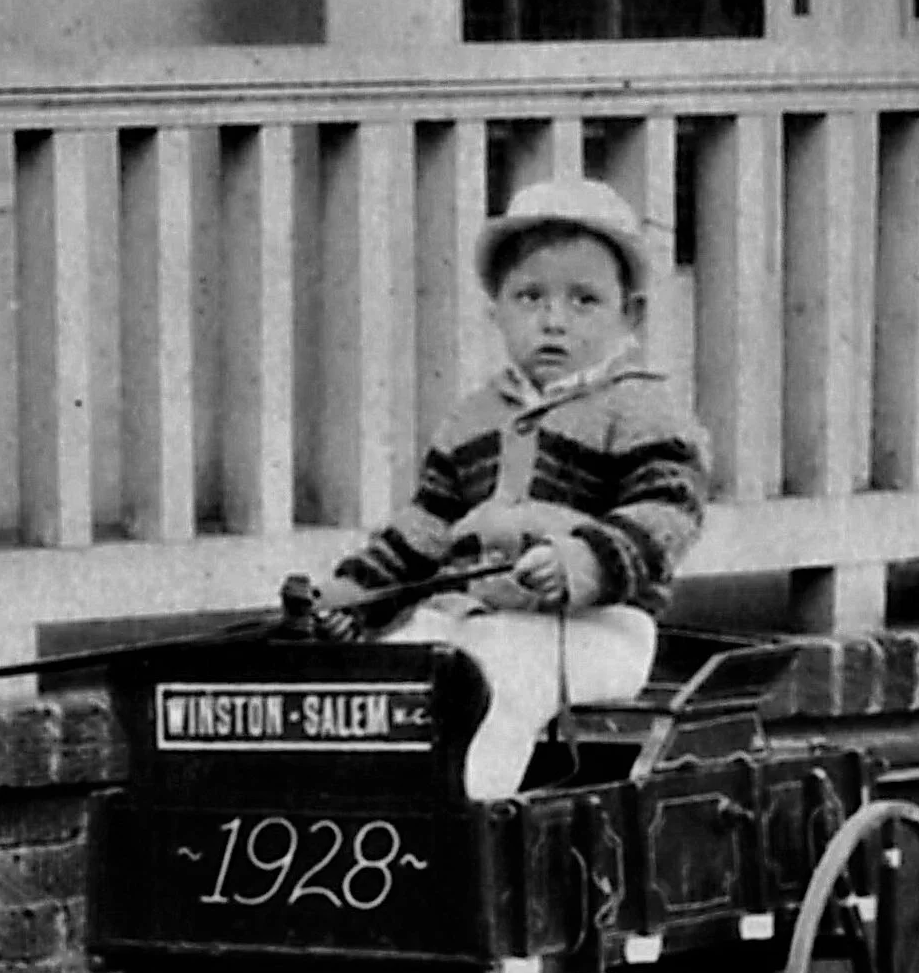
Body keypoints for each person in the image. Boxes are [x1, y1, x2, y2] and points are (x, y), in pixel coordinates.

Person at [302, 176, 710, 799]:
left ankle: (466, 825)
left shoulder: (639, 407)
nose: (553, 322)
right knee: (400, 670)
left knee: (497, 682)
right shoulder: (473, 417)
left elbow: (666, 512)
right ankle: (376, 814)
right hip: (474, 621)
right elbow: (424, 527)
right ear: (494, 308)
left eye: (583, 302)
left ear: (631, 314)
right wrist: (351, 599)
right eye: (529, 297)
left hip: (598, 629)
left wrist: (581, 562)